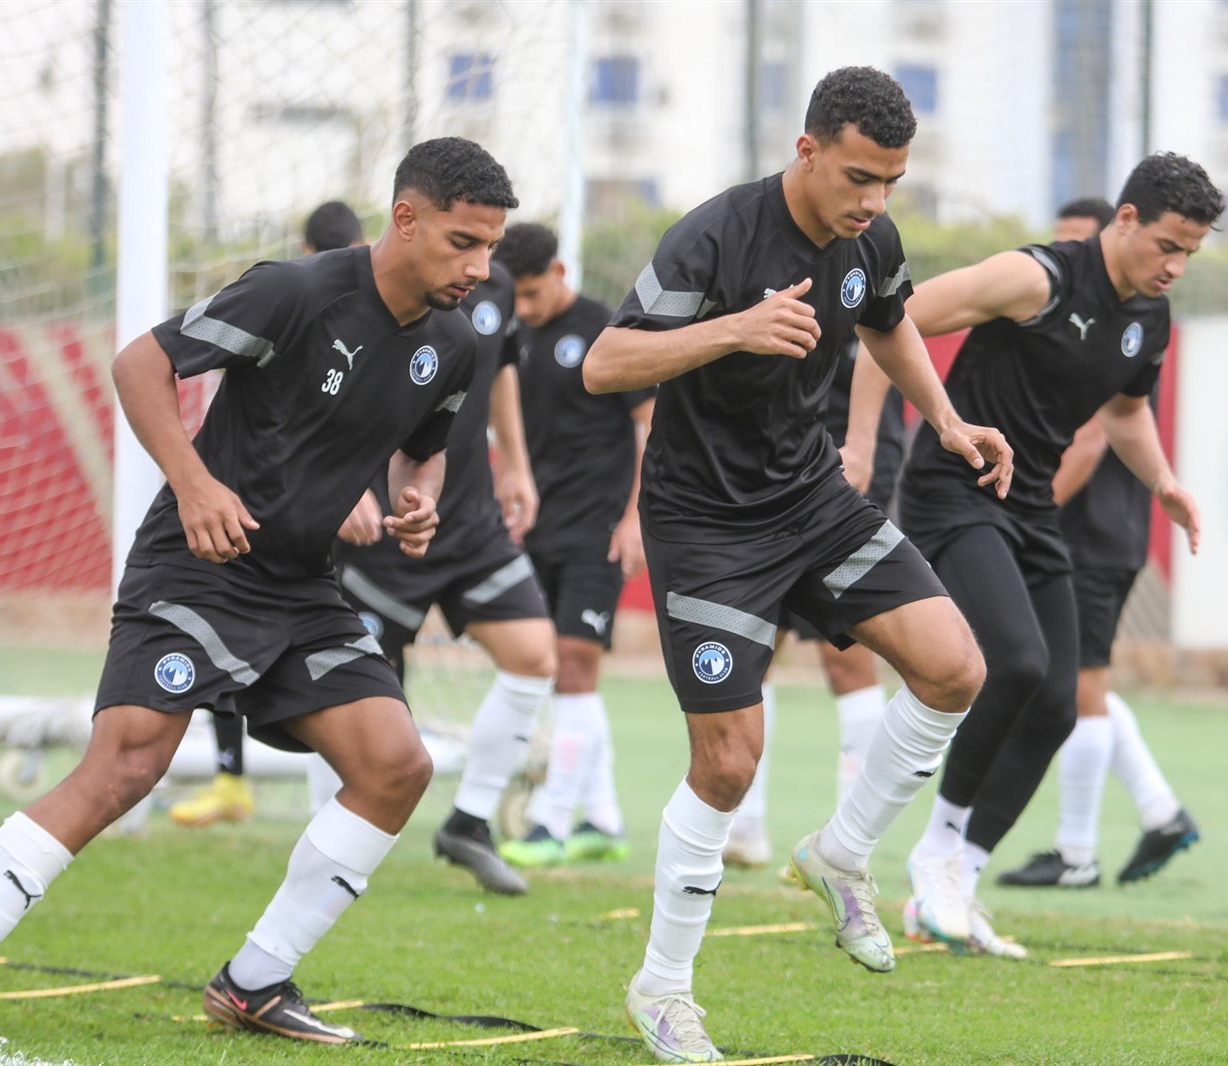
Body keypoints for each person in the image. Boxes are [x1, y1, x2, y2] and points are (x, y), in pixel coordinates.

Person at [0, 137, 516, 1045]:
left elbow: (426, 448)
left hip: (301, 590)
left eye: (490, 247)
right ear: (405, 218)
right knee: (126, 766)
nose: (479, 268)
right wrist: (194, 483)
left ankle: (255, 981)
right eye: (463, 242)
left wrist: (419, 499)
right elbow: (140, 363)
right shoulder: (295, 292)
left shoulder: (452, 343)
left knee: (395, 765)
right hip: (198, 566)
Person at [585, 66, 1011, 1062]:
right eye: (859, 176)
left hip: (811, 498)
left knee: (955, 667)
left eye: (891, 182)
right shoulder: (715, 235)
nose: (873, 201)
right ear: (807, 149)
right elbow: (604, 363)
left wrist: (947, 420)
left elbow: (889, 324)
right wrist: (734, 327)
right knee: (729, 761)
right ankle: (662, 988)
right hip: (705, 523)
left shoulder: (872, 240)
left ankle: (840, 853)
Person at [898, 154, 1218, 957]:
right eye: (1168, 246)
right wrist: (876, 436)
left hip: (1030, 502)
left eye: (1191, 253)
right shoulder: (1036, 277)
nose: (1176, 266)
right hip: (953, 486)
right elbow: (892, 318)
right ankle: (934, 852)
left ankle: (958, 882)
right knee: (1015, 662)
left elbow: (1125, 412)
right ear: (1125, 220)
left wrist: (1164, 482)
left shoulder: (1149, 317)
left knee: (1058, 704)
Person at [334, 254, 555, 897]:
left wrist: (517, 466)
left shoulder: (498, 284)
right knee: (358, 693)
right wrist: (340, 486)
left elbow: (501, 368)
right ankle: (339, 839)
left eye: (493, 238)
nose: (483, 253)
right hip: (385, 522)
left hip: (471, 520)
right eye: (470, 234)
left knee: (534, 655)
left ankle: (468, 822)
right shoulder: (377, 283)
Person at [996, 198, 1199, 890]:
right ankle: (1160, 809)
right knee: (1083, 681)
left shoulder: (1118, 322)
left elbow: (1088, 442)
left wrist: (1019, 520)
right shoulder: (1098, 319)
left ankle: (1077, 852)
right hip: (1105, 535)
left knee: (1078, 688)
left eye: (1074, 245)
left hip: (1089, 535)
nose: (1062, 261)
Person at [172, 200, 372, 830]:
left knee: (336, 668)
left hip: (308, 529)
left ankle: (242, 779)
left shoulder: (370, 321)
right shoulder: (290, 300)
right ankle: (237, 781)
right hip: (262, 518)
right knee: (230, 646)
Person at [487, 222, 654, 868]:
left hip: (597, 529)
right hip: (536, 528)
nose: (524, 307)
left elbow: (649, 425)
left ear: (559, 273)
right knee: (557, 671)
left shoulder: (606, 331)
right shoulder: (510, 337)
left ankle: (551, 824)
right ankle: (603, 820)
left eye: (532, 293)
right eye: (516, 297)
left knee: (575, 665)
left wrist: (635, 517)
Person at [724, 338, 905, 868]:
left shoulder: (868, 300)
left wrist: (862, 455)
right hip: (774, 481)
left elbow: (894, 350)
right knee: (753, 648)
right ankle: (745, 826)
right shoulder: (775, 295)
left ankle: (850, 844)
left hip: (849, 481)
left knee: (844, 657)